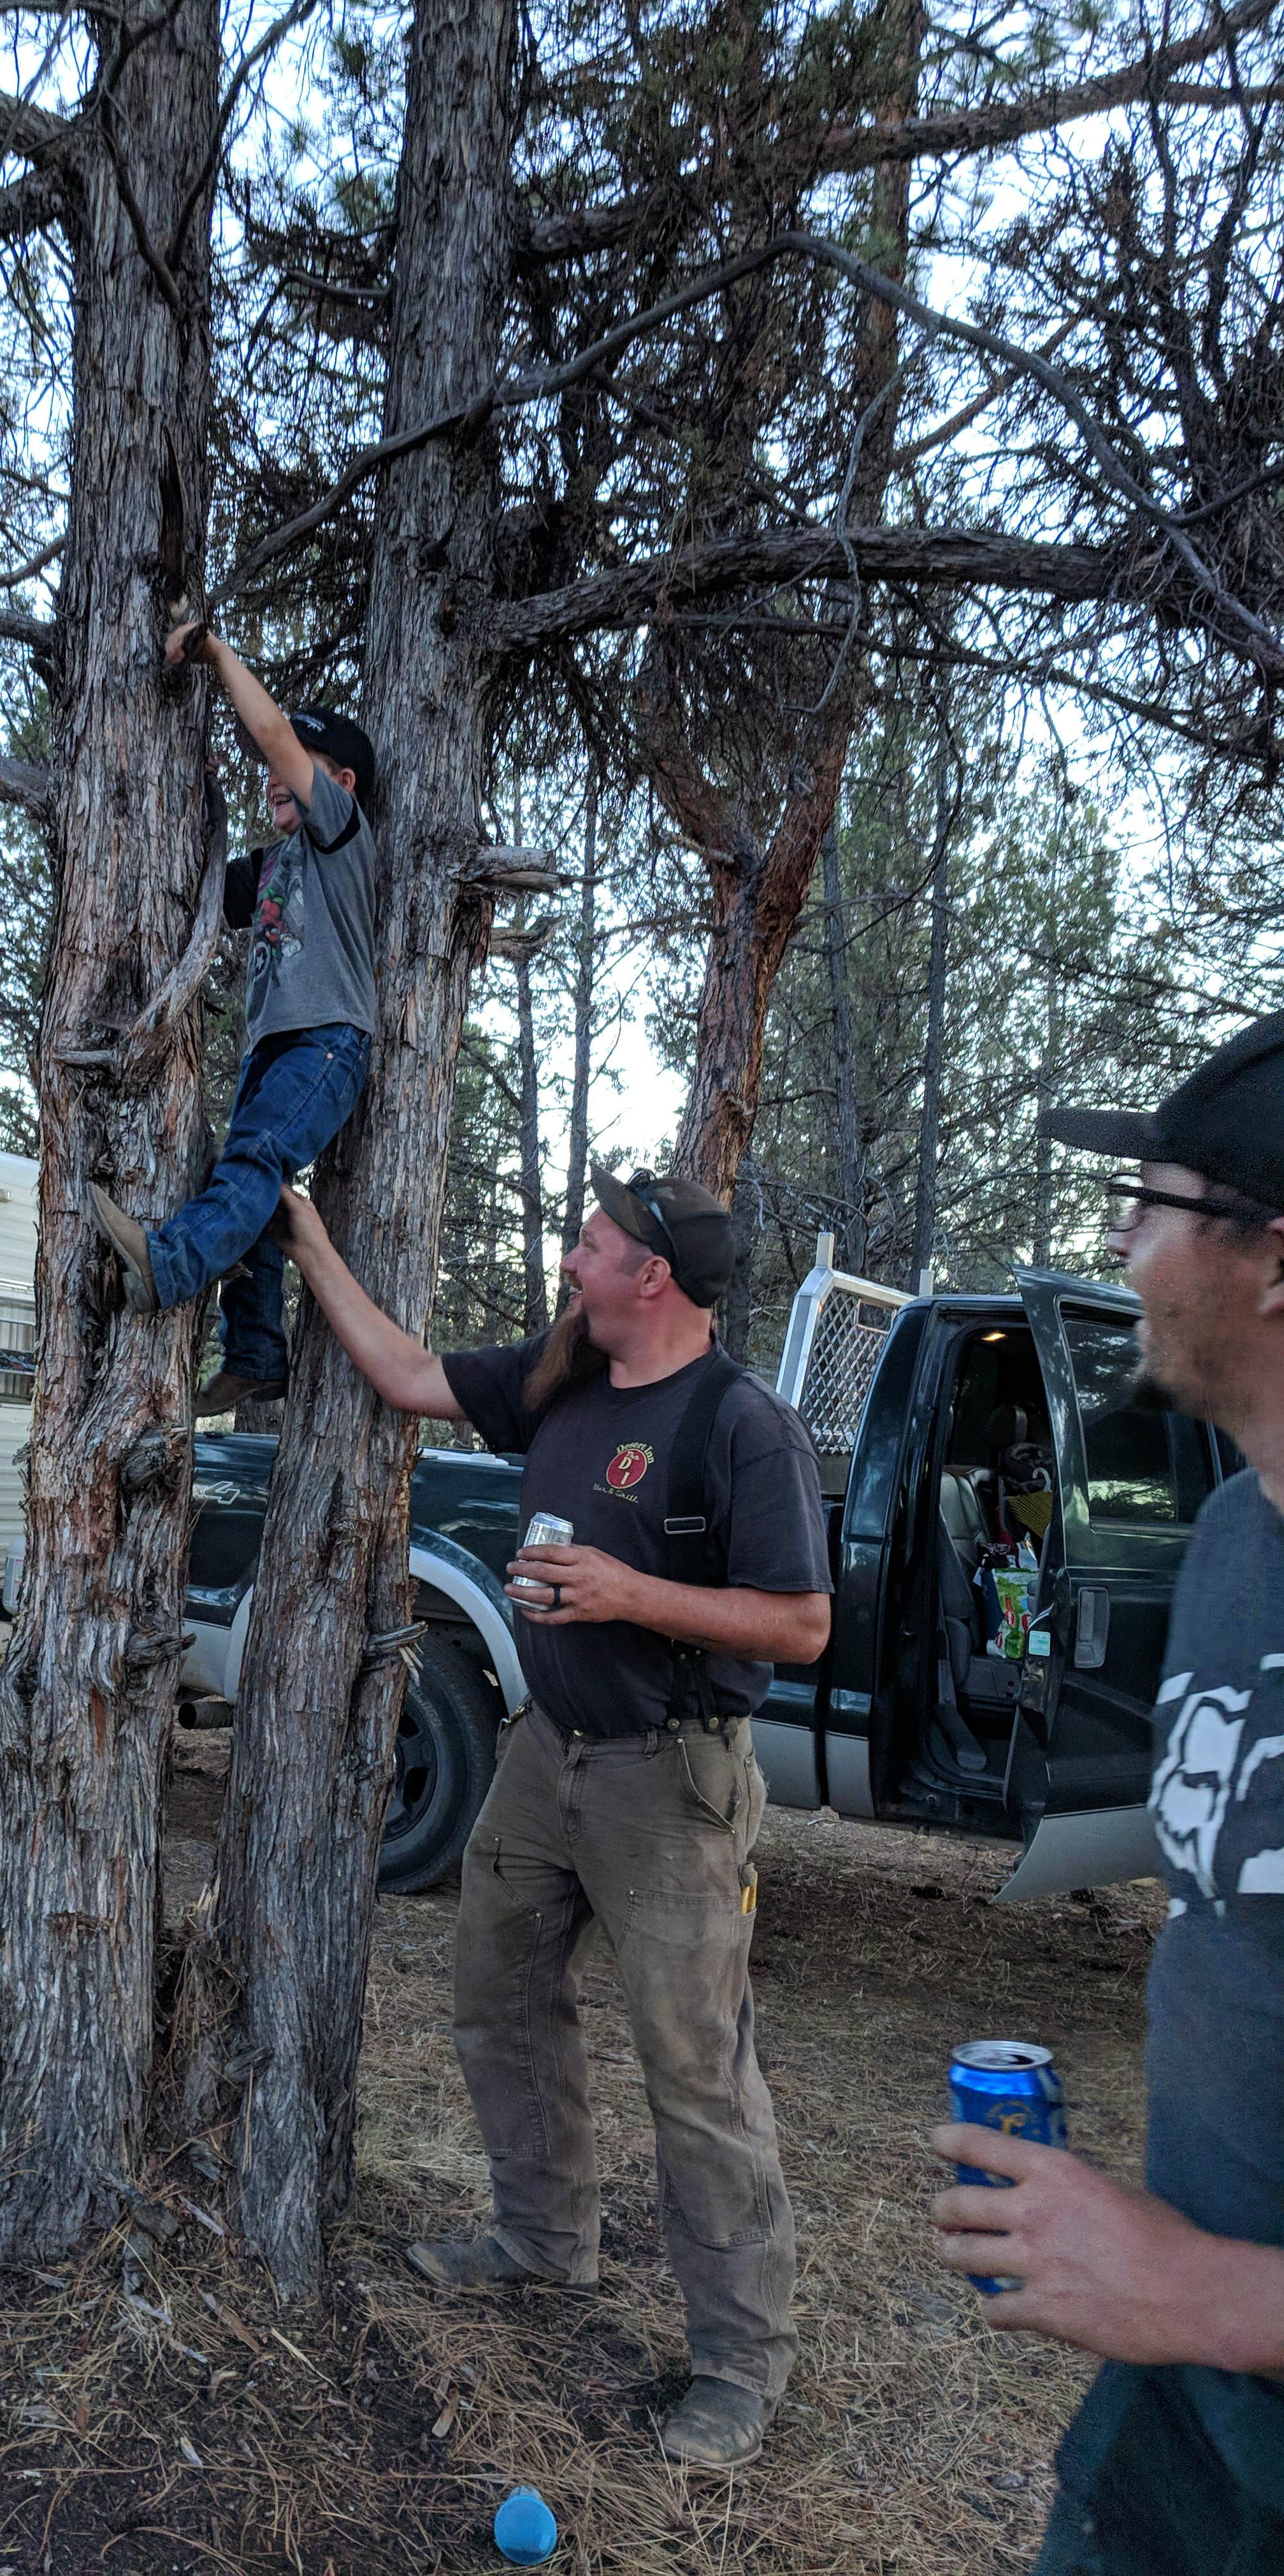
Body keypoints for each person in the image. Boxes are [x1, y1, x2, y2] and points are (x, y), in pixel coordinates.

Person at [273, 1163, 833, 2469]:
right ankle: (542, 2241)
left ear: (654, 1274)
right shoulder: (565, 1377)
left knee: (696, 2074)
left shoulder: (743, 1423)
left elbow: (801, 1622)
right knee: (500, 1995)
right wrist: (307, 1237)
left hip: (668, 1780)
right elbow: (409, 1375)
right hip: (545, 1755)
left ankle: (741, 2360)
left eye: (591, 1243)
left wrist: (632, 1592)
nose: (570, 1258)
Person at [929, 1010, 1284, 2575]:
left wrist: (1195, 2284)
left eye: (1148, 1206)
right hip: (1187, 2425)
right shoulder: (1227, 1547)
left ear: (1270, 1261)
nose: (1118, 1249)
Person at [87, 616, 378, 1413]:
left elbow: (273, 730)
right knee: (253, 1194)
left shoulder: (341, 837)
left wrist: (215, 654)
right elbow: (202, 876)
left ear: (339, 782)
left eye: (292, 768)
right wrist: (200, 785)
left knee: (252, 1166)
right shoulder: (279, 861)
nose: (273, 777)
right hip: (275, 1047)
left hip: (327, 1041)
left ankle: (169, 1267)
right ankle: (255, 1353)